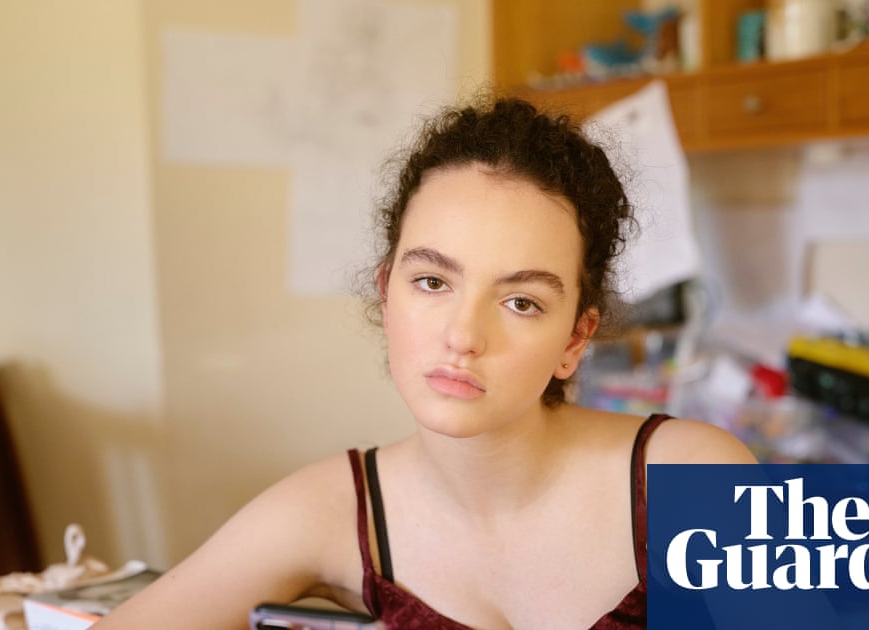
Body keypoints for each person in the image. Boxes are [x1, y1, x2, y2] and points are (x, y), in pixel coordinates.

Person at [94, 96, 755, 630]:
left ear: (575, 340)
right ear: (386, 294)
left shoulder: (698, 472)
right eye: (433, 283)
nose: (463, 336)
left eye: (521, 302)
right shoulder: (330, 508)